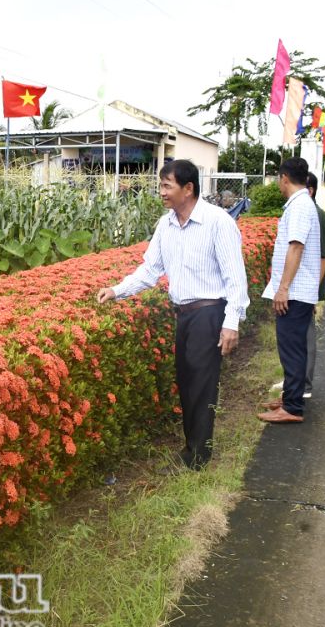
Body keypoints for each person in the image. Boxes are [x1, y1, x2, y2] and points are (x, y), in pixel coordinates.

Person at [97, 159, 249, 471]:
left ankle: (198, 457)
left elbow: (236, 278)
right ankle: (192, 449)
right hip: (184, 315)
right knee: (187, 381)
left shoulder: (217, 222)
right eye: (161, 185)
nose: (161, 192)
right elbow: (151, 269)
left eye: (167, 185)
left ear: (188, 188)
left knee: (202, 385)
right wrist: (117, 290)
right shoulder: (166, 224)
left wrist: (231, 322)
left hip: (209, 313)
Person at [258, 158, 322, 424]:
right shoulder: (302, 204)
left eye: (277, 179)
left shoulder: (299, 207)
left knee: (292, 349)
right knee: (292, 347)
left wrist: (282, 289)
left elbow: (295, 248)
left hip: (294, 292)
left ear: (284, 178)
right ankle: (290, 397)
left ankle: (293, 407)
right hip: (297, 291)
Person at [304, 172, 325, 397]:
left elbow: (323, 257)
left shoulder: (318, 216)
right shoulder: (305, 212)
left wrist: (313, 293)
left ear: (310, 190)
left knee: (305, 335)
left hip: (307, 288)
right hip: (302, 287)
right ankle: (294, 382)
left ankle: (304, 386)